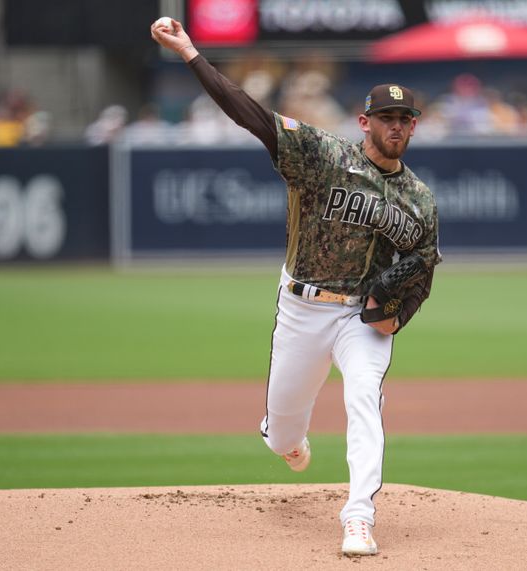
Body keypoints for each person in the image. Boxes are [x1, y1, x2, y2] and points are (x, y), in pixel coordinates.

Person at [151, 19, 441, 557]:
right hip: (301, 308)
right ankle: (283, 436)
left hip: (361, 317)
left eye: (405, 119)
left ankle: (358, 517)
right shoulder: (323, 155)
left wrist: (398, 316)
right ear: (365, 121)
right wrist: (191, 52)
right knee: (284, 436)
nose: (396, 126)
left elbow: (421, 268)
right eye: (387, 117)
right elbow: (252, 114)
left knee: (365, 400)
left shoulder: (419, 200)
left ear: (414, 127)